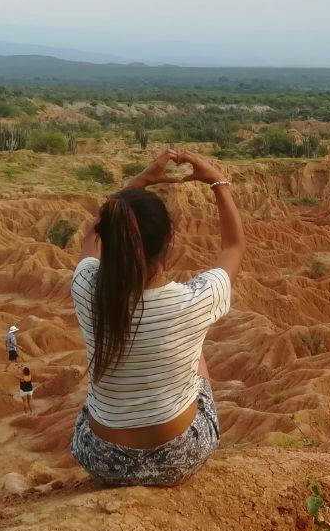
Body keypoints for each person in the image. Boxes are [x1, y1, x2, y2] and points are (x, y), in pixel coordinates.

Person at [68, 150, 245, 487]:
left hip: (103, 460)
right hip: (179, 457)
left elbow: (92, 238)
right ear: (169, 240)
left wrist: (140, 182)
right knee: (195, 350)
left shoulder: (85, 287)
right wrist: (217, 182)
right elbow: (234, 246)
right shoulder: (195, 300)